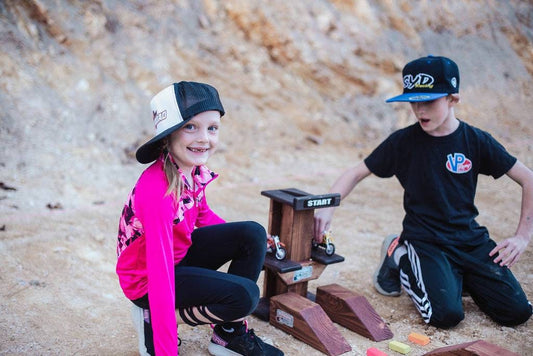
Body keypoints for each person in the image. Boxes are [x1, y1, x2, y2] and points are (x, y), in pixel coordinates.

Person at [314, 56, 533, 328]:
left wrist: (523, 236)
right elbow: (357, 171)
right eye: (414, 101)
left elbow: (528, 179)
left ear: (453, 99)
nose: (419, 110)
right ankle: (399, 254)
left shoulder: (476, 140)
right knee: (444, 316)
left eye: (429, 101)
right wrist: (329, 204)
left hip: (470, 240)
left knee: (517, 313)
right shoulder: (403, 142)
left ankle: (455, 277)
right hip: (425, 241)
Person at [116, 81, 284, 356]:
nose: (204, 138)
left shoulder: (191, 169)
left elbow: (203, 216)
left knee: (251, 233)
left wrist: (249, 243)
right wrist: (165, 351)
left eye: (212, 128)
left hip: (177, 259)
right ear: (167, 136)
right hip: (148, 281)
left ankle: (228, 336)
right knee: (245, 296)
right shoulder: (156, 191)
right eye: (190, 127)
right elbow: (160, 278)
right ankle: (148, 319)